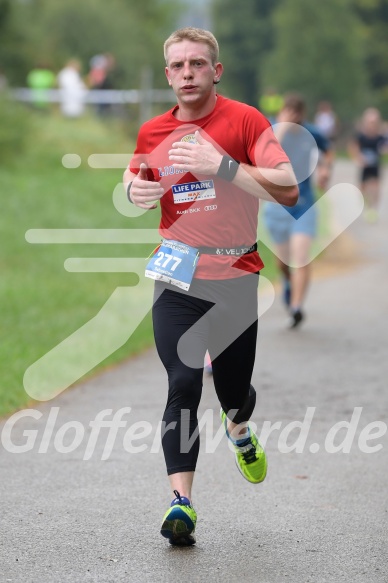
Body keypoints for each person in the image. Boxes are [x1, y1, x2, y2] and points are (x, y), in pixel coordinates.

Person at [123, 27, 298, 546]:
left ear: (215, 71)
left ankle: (239, 427)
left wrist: (221, 165)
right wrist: (134, 190)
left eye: (197, 63)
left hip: (236, 279)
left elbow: (287, 188)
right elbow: (136, 183)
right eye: (177, 66)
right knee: (183, 380)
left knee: (230, 391)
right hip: (177, 276)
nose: (187, 73)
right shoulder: (153, 131)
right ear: (167, 74)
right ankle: (182, 503)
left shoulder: (245, 120)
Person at [263, 93, 333, 328]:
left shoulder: (311, 133)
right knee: (283, 262)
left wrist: (325, 170)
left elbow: (327, 150)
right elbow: (263, 156)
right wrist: (281, 128)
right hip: (276, 206)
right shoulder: (272, 129)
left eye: (297, 116)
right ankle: (288, 283)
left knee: (301, 257)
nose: (294, 120)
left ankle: (296, 308)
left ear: (303, 115)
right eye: (288, 115)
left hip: (304, 204)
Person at [348, 107, 388, 223]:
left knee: (376, 188)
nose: (372, 125)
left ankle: (373, 210)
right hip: (364, 167)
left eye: (374, 122)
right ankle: (366, 203)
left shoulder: (380, 136)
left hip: (375, 166)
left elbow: (385, 146)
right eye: (370, 122)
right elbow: (353, 146)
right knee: (362, 189)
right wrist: (358, 158)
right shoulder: (362, 136)